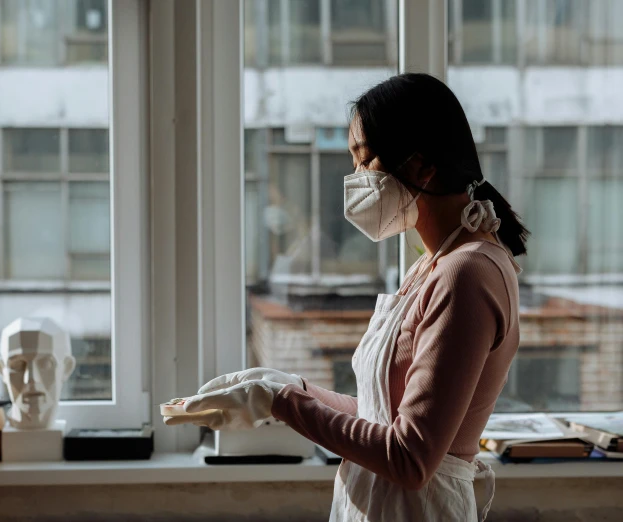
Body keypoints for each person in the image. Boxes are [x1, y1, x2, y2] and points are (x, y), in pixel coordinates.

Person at [165, 73, 528, 521]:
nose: (356, 178)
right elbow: (382, 416)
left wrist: (280, 404)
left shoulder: (467, 274)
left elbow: (410, 458)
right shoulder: (434, 263)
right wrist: (288, 387)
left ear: (421, 165)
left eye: (365, 159)